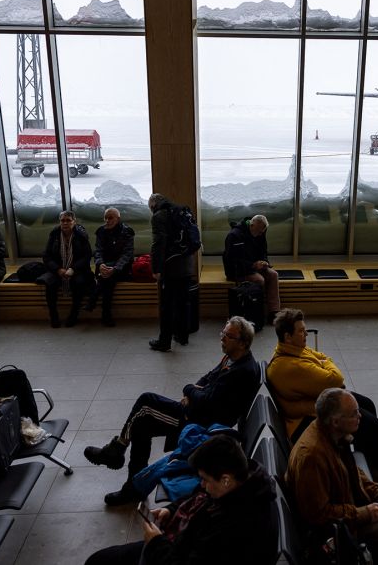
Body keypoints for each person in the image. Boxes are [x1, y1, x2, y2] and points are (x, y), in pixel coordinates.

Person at [83, 317, 261, 506]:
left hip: (201, 425)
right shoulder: (231, 357)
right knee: (142, 423)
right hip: (199, 412)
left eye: (228, 336)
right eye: (222, 333)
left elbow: (207, 402)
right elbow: (207, 378)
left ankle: (118, 450)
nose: (222, 338)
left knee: (146, 402)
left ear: (243, 343)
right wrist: (196, 391)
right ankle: (131, 485)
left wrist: (188, 390)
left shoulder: (242, 371)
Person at [83, 435, 278, 565]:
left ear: (225, 480)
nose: (201, 484)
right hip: (178, 541)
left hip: (174, 551)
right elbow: (198, 496)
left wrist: (156, 543)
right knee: (99, 560)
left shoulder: (240, 527)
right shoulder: (239, 478)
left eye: (205, 479)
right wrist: (171, 509)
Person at [267, 308, 378, 483]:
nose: (306, 335)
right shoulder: (289, 366)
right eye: (301, 331)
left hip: (316, 401)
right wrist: (327, 364)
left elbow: (323, 359)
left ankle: (375, 458)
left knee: (366, 404)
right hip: (305, 421)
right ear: (287, 336)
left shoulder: (294, 350)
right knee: (371, 424)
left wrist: (325, 363)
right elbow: (335, 379)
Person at [286, 388, 378, 565]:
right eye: (354, 413)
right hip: (336, 534)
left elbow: (353, 472)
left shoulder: (334, 435)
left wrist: (376, 492)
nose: (360, 416)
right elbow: (318, 515)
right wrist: (364, 513)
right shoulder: (312, 457)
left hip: (346, 505)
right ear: (335, 421)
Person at [148, 193, 198, 352]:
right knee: (184, 302)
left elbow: (159, 244)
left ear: (154, 204)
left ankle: (164, 341)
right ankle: (183, 336)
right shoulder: (183, 212)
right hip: (187, 265)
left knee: (167, 305)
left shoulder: (159, 216)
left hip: (171, 267)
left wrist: (156, 269)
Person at [40, 210, 93, 328]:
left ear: (74, 222)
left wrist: (73, 269)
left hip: (77, 269)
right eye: (62, 220)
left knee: (78, 283)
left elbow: (87, 256)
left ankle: (74, 314)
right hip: (57, 269)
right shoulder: (54, 234)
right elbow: (46, 255)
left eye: (68, 220)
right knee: (50, 283)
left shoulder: (81, 235)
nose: (65, 223)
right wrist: (58, 269)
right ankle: (53, 315)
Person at [223, 214, 279, 321]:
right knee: (259, 280)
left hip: (254, 267)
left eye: (261, 232)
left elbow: (263, 251)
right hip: (237, 270)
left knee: (273, 275)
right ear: (252, 225)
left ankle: (274, 312)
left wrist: (264, 262)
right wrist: (252, 265)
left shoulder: (260, 232)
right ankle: (257, 312)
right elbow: (231, 260)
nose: (260, 234)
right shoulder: (234, 235)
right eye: (258, 232)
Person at [86, 207, 135, 327]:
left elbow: (127, 254)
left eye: (110, 218)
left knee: (108, 278)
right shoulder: (101, 231)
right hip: (105, 268)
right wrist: (100, 264)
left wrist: (115, 268)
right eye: (105, 218)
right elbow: (98, 251)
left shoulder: (127, 232)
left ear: (118, 219)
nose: (107, 220)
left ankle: (93, 300)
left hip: (122, 268)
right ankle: (105, 315)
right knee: (108, 279)